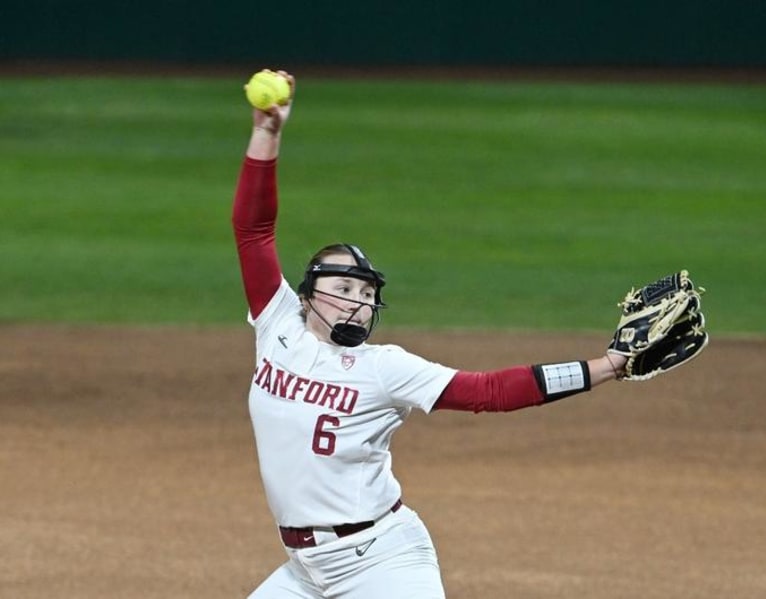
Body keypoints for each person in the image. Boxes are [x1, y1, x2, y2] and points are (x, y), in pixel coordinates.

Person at [232, 70, 628, 599]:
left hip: (383, 562)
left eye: (367, 293)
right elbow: (253, 229)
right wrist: (268, 133)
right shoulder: (278, 322)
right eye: (345, 287)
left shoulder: (384, 368)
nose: (358, 300)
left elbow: (489, 392)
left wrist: (606, 366)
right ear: (307, 294)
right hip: (303, 571)